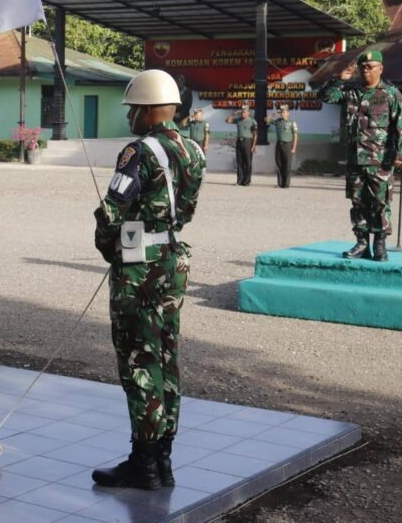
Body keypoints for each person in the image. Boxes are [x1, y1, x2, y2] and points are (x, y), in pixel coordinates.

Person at [92, 69, 206, 490]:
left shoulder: (138, 151)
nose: (129, 118)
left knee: (139, 361)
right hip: (173, 259)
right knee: (166, 356)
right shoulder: (193, 149)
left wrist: (110, 249)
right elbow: (186, 209)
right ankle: (163, 460)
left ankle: (143, 463)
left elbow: (111, 212)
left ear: (148, 109)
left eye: (133, 110)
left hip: (139, 266)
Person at [319, 50, 402, 261]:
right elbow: (324, 97)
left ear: (381, 69)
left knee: (380, 202)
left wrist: (400, 154)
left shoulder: (390, 94)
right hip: (355, 158)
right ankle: (362, 243)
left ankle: (380, 244)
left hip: (380, 160)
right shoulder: (351, 91)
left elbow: (401, 126)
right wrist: (339, 79)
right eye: (363, 67)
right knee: (357, 202)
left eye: (370, 67)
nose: (366, 70)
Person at [265, 105, 298, 188]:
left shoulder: (292, 122)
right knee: (279, 164)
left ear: (288, 113)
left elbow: (295, 135)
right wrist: (274, 114)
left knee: (287, 165)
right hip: (279, 144)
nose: (282, 114)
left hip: (288, 145)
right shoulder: (278, 121)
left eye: (284, 112)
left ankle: (286, 184)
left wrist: (294, 148)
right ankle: (280, 183)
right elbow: (266, 119)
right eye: (281, 112)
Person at [224, 105, 257, 185]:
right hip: (239, 141)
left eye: (244, 112)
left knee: (247, 162)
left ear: (248, 113)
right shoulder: (238, 120)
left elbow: (255, 134)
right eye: (242, 112)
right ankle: (240, 180)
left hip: (248, 142)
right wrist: (234, 114)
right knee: (239, 161)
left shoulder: (252, 121)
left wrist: (253, 146)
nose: (243, 114)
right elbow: (227, 120)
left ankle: (247, 181)